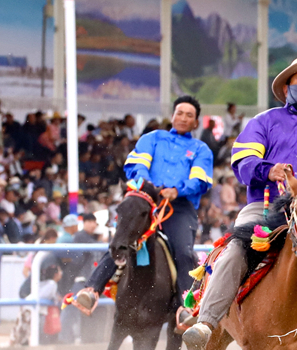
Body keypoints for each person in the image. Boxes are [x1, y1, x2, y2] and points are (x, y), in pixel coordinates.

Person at [181, 57, 297, 350]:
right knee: (235, 252)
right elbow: (243, 165)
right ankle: (206, 323)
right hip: (263, 208)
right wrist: (268, 169)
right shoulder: (263, 122)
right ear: (287, 88)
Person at [72, 96, 214, 314]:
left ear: (196, 123)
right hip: (146, 201)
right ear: (172, 116)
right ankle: (91, 289)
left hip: (179, 207)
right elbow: (137, 166)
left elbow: (199, 181)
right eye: (180, 113)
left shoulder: (201, 149)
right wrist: (149, 186)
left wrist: (176, 190)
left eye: (189, 115)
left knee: (184, 252)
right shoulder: (153, 138)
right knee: (122, 238)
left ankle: (187, 308)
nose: (183, 118)